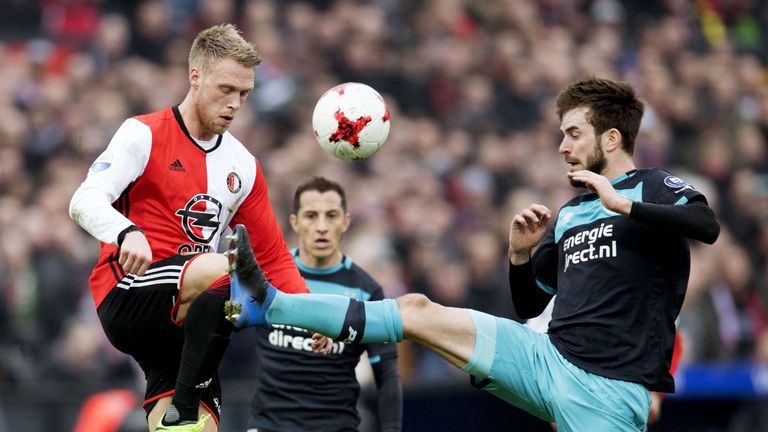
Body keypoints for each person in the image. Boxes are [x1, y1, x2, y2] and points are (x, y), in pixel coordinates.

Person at [224, 76, 721, 432]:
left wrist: (625, 205)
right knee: (416, 309)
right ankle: (268, 303)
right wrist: (519, 256)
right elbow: (530, 305)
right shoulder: (570, 214)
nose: (562, 146)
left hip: (608, 389)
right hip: (545, 357)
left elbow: (707, 225)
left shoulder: (653, 188)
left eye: (573, 133)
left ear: (611, 138)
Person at [69, 24, 326, 432]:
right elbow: (83, 199)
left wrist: (312, 313)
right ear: (195, 76)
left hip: (188, 328)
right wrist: (125, 231)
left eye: (244, 94)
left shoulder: (243, 166)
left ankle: (182, 409)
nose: (235, 104)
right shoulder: (144, 134)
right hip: (130, 292)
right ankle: (186, 401)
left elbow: (274, 255)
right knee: (227, 268)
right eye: (226, 89)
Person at [246, 176, 402, 432]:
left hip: (335, 426)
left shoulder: (367, 290)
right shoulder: (266, 278)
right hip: (268, 426)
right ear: (294, 222)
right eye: (311, 215)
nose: (321, 226)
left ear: (345, 221)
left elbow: (386, 373)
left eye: (331, 215)